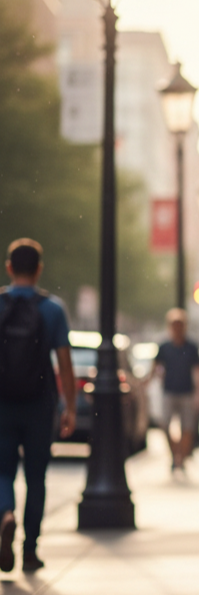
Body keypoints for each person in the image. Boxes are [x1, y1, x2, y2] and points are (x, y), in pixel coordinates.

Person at [0, 239, 76, 573]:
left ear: (9, 267)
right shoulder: (52, 309)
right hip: (38, 405)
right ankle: (30, 550)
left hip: (2, 404)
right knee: (36, 477)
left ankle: (5, 514)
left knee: (1, 471)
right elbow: (64, 363)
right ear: (39, 269)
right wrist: (69, 406)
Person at [148, 309, 199, 472]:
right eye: (174, 324)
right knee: (164, 424)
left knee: (188, 427)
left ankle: (181, 457)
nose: (177, 328)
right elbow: (155, 367)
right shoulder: (164, 347)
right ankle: (175, 453)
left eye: (180, 324)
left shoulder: (192, 347)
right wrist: (148, 382)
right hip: (169, 392)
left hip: (187, 392)